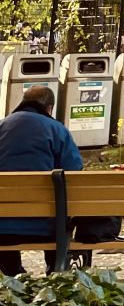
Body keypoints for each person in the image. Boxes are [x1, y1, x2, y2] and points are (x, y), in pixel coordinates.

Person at [0, 85, 83, 275]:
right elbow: (75, 173)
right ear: (49, 108)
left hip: (1, 226)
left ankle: (12, 273)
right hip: (46, 226)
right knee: (59, 213)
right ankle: (55, 272)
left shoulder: (2, 126)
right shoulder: (56, 130)